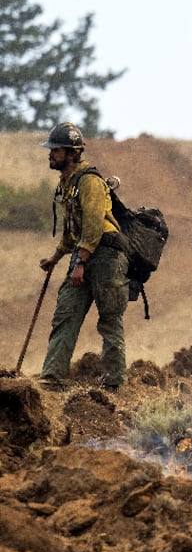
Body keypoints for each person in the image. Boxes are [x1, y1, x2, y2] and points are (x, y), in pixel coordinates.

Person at [37, 122, 129, 390]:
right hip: (85, 254)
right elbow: (71, 231)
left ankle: (113, 384)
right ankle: (52, 378)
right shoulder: (67, 184)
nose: (50, 154)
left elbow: (92, 226)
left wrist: (80, 263)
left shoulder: (88, 181)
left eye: (56, 150)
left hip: (106, 256)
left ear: (71, 152)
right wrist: (55, 258)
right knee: (66, 314)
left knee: (110, 320)